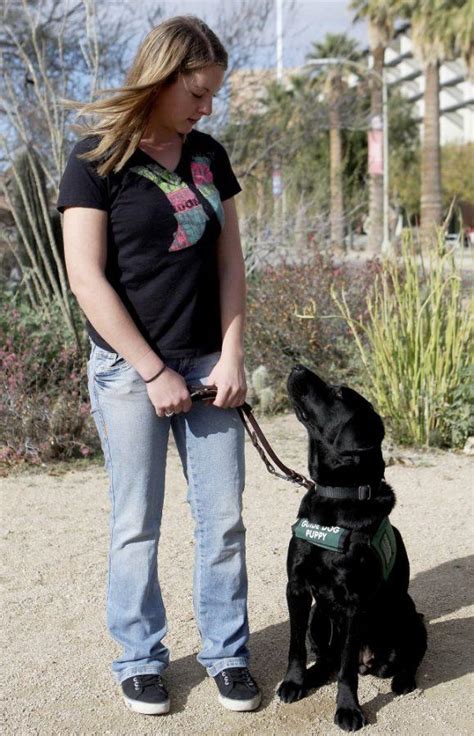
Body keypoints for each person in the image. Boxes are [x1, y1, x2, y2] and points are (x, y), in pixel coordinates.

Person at [57, 15, 261, 716]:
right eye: (198, 94)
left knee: (223, 521)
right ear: (162, 76)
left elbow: (230, 260)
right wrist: (150, 370)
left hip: (210, 363)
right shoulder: (95, 160)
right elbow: (86, 278)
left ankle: (229, 654)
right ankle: (140, 658)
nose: (208, 109)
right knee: (135, 523)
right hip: (127, 371)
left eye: (212, 96)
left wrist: (232, 354)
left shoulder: (208, 156)